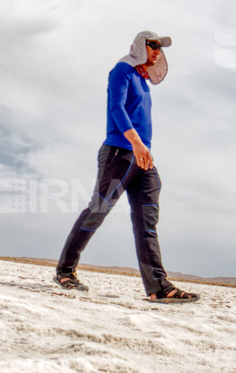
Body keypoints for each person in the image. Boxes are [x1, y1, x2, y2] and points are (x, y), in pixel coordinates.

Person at [55, 32, 198, 303]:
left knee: (147, 220)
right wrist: (135, 143)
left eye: (160, 47)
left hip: (143, 158)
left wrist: (143, 149)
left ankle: (158, 287)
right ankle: (65, 271)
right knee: (99, 208)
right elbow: (117, 108)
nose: (157, 51)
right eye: (153, 45)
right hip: (120, 152)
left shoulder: (144, 82)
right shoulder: (121, 70)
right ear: (139, 46)